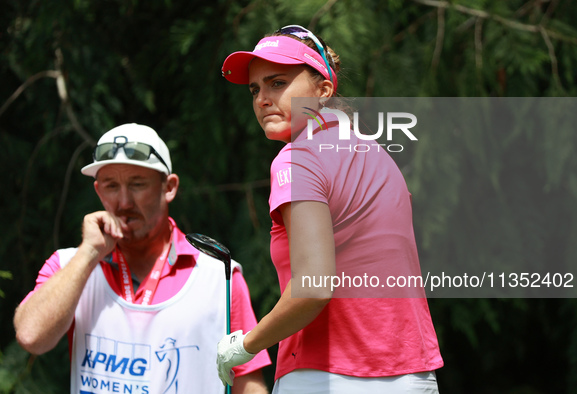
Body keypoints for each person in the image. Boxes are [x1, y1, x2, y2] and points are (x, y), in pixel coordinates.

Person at [216, 25, 444, 393]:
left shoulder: (297, 159)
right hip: (412, 375)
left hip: (328, 375)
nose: (262, 99)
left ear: (323, 90)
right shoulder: (381, 158)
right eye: (255, 89)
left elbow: (313, 287)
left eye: (277, 83)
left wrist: (243, 346)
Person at [14, 123, 271, 393]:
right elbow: (31, 336)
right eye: (111, 186)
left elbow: (247, 383)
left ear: (169, 187)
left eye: (137, 184)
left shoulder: (219, 277)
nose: (124, 201)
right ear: (98, 191)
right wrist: (89, 253)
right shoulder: (69, 265)